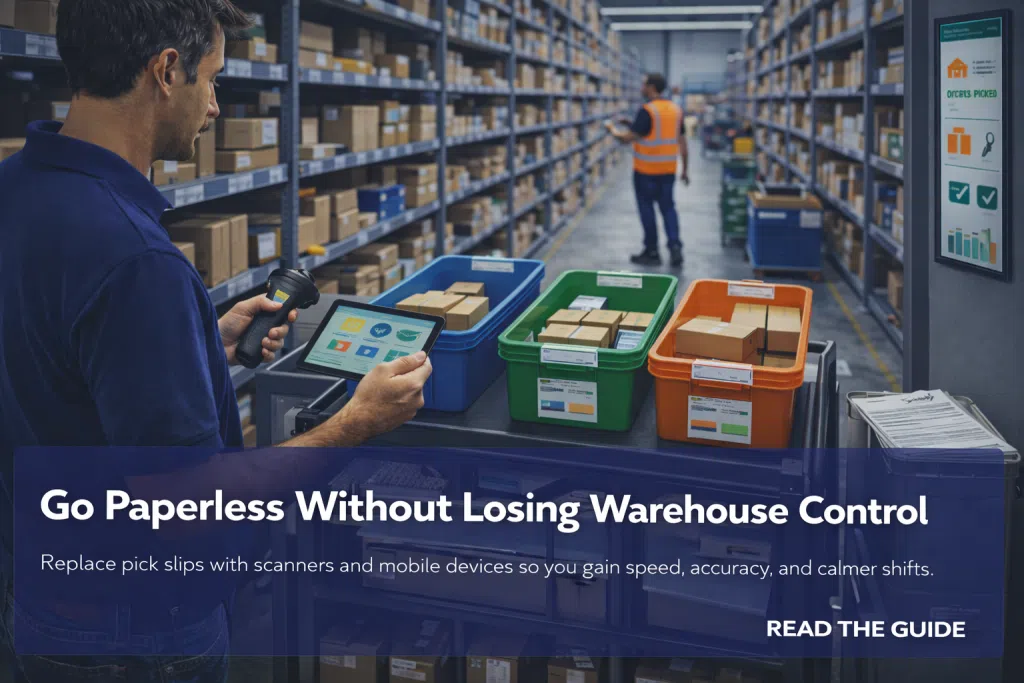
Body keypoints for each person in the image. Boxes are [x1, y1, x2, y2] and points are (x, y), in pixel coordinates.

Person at [0, 1, 431, 681]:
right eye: (212, 78)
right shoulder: (137, 260)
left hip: (41, 590)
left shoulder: (15, 189)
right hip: (136, 626)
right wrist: (353, 424)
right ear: (166, 71)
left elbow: (54, 357)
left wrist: (202, 336)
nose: (216, 108)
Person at [605, 73, 689, 267]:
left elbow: (628, 138)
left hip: (646, 172)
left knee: (647, 210)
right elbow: (683, 143)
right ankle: (675, 247)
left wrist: (612, 130)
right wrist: (685, 170)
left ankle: (652, 252)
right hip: (668, 170)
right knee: (669, 209)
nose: (642, 88)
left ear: (652, 87)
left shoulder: (647, 110)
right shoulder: (675, 110)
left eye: (644, 85)